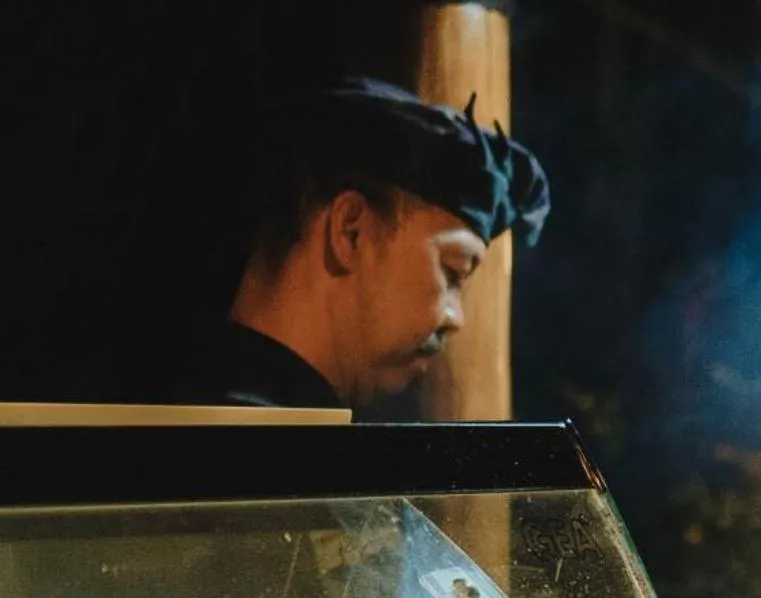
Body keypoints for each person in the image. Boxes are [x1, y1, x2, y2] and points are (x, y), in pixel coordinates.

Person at [173, 77, 551, 411]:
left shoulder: (169, 423)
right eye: (453, 271)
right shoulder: (260, 457)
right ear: (350, 231)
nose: (456, 319)